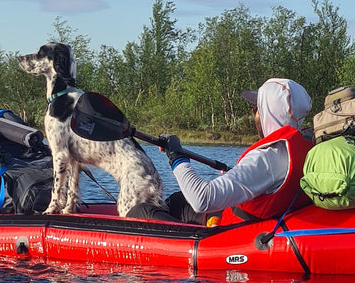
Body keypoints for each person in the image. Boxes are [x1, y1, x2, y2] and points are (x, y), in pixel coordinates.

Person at [128, 78, 313, 226]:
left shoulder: (266, 158)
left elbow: (202, 199)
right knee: (177, 200)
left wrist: (177, 158)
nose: (254, 115)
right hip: (253, 216)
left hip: (232, 230)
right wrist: (235, 175)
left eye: (255, 109)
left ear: (269, 113)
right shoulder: (303, 146)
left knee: (141, 211)